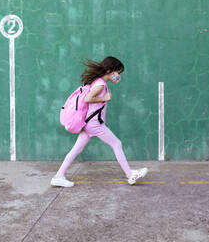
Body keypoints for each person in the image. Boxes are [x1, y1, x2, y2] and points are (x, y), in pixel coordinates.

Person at [51, 56, 148, 187]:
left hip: (88, 123)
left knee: (76, 149)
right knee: (117, 144)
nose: (118, 76)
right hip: (94, 124)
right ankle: (130, 175)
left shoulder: (97, 81)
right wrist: (104, 98)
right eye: (117, 72)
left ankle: (58, 176)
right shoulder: (101, 84)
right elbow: (87, 99)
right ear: (109, 70)